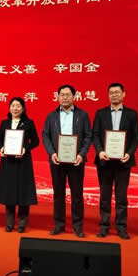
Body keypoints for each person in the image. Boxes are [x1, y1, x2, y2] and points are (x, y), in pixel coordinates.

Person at [42, 84, 92, 237]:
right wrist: (52, 153)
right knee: (58, 194)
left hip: (76, 161)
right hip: (57, 160)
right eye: (62, 95)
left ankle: (78, 226)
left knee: (77, 195)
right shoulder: (51, 116)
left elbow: (88, 136)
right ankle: (59, 225)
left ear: (74, 97)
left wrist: (81, 154)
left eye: (68, 95)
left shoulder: (82, 115)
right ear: (58, 97)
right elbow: (45, 135)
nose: (65, 97)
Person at [92, 83, 138, 239]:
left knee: (121, 197)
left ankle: (121, 226)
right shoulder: (101, 113)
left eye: (117, 92)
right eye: (111, 92)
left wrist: (129, 154)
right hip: (104, 162)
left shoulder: (132, 114)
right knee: (104, 196)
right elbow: (95, 134)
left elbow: (136, 138)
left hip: (123, 162)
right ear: (108, 95)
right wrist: (100, 151)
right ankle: (104, 226)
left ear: (123, 94)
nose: (114, 95)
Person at [0, 97, 39, 233]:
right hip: (8, 162)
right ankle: (9, 223)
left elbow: (35, 141)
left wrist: (25, 149)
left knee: (23, 191)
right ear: (9, 108)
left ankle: (22, 224)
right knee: (9, 191)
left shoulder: (28, 123)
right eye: (13, 105)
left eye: (18, 106)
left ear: (23, 108)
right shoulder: (4, 123)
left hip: (23, 161)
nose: (15, 108)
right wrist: (1, 148)